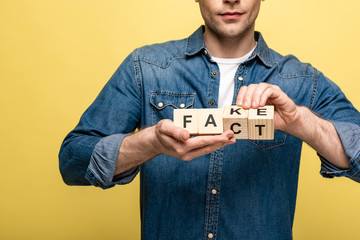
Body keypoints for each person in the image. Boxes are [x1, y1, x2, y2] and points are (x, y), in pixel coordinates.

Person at [59, 0, 360, 239]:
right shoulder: (146, 68)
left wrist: (301, 122)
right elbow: (72, 162)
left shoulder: (302, 81)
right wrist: (149, 142)